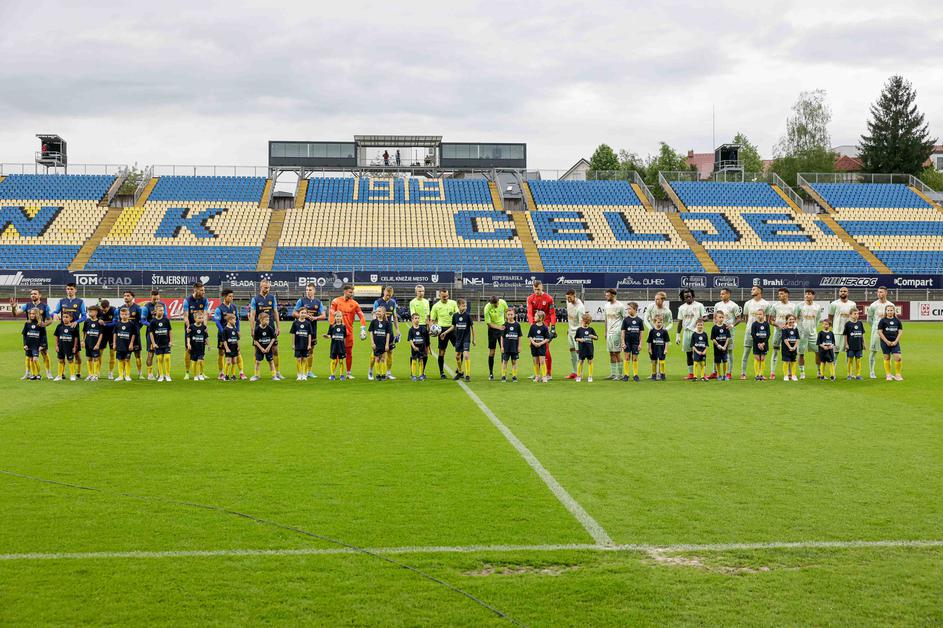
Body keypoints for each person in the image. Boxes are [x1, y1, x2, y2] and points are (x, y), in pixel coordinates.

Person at [328, 284, 367, 379]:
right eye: (350, 292)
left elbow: (361, 316)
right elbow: (331, 311)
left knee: (349, 353)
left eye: (352, 292)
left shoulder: (355, 303)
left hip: (349, 333)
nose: (351, 293)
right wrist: (335, 314)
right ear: (345, 291)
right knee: (337, 353)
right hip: (338, 332)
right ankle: (333, 373)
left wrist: (363, 329)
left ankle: (348, 373)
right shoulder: (336, 301)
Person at [14, 289, 53, 379]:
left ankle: (48, 372)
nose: (33, 295)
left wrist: (44, 324)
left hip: (40, 333)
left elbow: (50, 319)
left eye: (35, 294)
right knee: (28, 354)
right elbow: (15, 314)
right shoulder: (27, 305)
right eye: (31, 294)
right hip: (30, 333)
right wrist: (13, 307)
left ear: (40, 295)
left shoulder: (45, 306)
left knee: (44, 352)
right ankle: (28, 372)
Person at [249, 280, 282, 379]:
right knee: (257, 350)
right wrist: (252, 329)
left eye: (268, 287)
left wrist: (278, 326)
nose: (266, 289)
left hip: (271, 327)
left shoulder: (272, 298)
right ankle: (256, 374)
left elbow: (275, 312)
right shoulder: (255, 299)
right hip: (259, 328)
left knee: (275, 350)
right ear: (260, 287)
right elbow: (252, 314)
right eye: (265, 287)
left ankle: (277, 372)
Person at [294, 284, 327, 379]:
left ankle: (308, 371)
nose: (308, 291)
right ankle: (300, 372)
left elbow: (324, 315)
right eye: (307, 289)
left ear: (314, 291)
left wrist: (315, 317)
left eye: (310, 290)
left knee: (310, 350)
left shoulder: (318, 302)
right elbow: (294, 313)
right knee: (300, 351)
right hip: (301, 329)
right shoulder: (301, 301)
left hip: (312, 329)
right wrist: (303, 316)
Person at [54, 282, 86, 378]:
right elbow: (55, 311)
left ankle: (78, 372)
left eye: (71, 289)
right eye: (68, 289)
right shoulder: (61, 301)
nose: (69, 291)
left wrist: (77, 321)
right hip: (63, 330)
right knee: (62, 352)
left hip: (74, 329)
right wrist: (55, 314)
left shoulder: (80, 302)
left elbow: (84, 316)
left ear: (75, 290)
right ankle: (62, 373)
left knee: (76, 353)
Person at [527, 281, 557, 379]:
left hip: (545, 326)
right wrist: (532, 325)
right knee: (535, 350)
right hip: (535, 325)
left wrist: (552, 327)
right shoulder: (530, 298)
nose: (537, 291)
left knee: (545, 349)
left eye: (539, 289)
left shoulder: (549, 298)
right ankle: (537, 374)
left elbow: (552, 313)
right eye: (535, 289)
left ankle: (548, 373)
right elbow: (530, 313)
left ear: (542, 287)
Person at [676, 289, 708, 380]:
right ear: (683, 298)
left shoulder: (699, 305)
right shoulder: (682, 308)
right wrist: (678, 335)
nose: (688, 297)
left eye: (689, 296)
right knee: (688, 353)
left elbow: (706, 318)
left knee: (701, 353)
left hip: (697, 332)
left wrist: (700, 318)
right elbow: (680, 322)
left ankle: (703, 374)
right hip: (686, 332)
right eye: (686, 297)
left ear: (692, 295)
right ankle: (691, 374)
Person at [213, 289, 245, 380]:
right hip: (223, 334)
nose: (231, 298)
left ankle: (241, 372)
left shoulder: (234, 307)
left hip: (233, 334)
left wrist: (237, 330)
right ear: (225, 297)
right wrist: (223, 331)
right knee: (221, 352)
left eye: (232, 296)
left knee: (237, 352)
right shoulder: (219, 309)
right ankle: (221, 372)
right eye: (230, 296)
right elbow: (217, 321)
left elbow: (237, 320)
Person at [740, 287, 770, 380]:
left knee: (761, 356)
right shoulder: (748, 303)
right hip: (750, 332)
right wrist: (750, 327)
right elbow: (745, 317)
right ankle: (743, 373)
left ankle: (760, 374)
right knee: (746, 353)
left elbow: (767, 318)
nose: (751, 290)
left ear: (759, 291)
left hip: (762, 335)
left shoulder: (766, 304)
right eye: (751, 289)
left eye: (753, 289)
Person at [767, 288, 797, 380]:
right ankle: (772, 372)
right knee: (775, 351)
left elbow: (796, 320)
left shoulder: (793, 306)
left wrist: (791, 327)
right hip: (778, 332)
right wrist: (779, 325)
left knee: (789, 351)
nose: (779, 295)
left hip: (789, 333)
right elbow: (770, 320)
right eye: (779, 294)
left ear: (787, 294)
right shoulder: (775, 306)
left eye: (781, 294)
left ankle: (789, 373)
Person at [711, 288, 741, 379]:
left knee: (729, 352)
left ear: (728, 294)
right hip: (718, 332)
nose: (721, 295)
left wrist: (732, 325)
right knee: (717, 352)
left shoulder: (734, 305)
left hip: (729, 332)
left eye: (723, 294)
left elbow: (739, 318)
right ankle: (715, 372)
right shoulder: (717, 305)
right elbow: (714, 317)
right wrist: (715, 326)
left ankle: (728, 372)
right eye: (721, 294)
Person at [866, 286, 896, 379]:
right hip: (876, 332)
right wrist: (876, 327)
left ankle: (888, 373)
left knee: (888, 353)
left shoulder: (891, 305)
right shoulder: (873, 305)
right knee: (873, 351)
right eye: (878, 292)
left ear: (886, 293)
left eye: (881, 292)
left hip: (888, 333)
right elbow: (869, 319)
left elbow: (894, 318)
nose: (879, 294)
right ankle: (871, 371)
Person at [796, 289, 826, 379]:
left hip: (813, 333)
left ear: (813, 296)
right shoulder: (799, 306)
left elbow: (817, 319)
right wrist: (799, 328)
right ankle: (802, 373)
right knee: (801, 353)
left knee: (818, 352)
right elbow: (796, 317)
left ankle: (819, 372)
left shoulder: (817, 307)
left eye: (809, 294)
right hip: (802, 334)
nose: (807, 296)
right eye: (806, 294)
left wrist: (813, 328)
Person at [429, 289, 459, 379]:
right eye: (443, 296)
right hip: (441, 330)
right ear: (439, 296)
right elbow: (432, 320)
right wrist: (432, 329)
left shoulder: (453, 303)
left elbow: (457, 315)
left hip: (453, 329)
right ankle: (442, 372)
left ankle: (459, 368)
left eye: (447, 295)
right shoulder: (436, 306)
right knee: (442, 352)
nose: (446, 297)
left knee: (459, 350)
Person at [182, 281, 209, 380]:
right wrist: (189, 327)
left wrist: (204, 327)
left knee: (201, 349)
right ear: (195, 290)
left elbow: (205, 315)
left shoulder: (205, 300)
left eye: (204, 290)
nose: (203, 292)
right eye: (202, 290)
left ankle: (201, 373)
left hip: (201, 329)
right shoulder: (187, 300)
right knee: (188, 350)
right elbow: (185, 316)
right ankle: (187, 372)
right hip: (191, 329)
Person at [372, 286, 400, 380]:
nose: (388, 296)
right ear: (384, 292)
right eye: (387, 294)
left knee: (390, 352)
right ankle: (372, 371)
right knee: (376, 353)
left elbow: (395, 316)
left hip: (389, 330)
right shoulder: (377, 302)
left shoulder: (393, 303)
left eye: (390, 295)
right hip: (379, 331)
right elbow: (374, 315)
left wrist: (397, 329)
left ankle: (388, 373)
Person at [140, 289, 165, 380]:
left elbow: (165, 316)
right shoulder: (146, 307)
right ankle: (150, 374)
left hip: (162, 332)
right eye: (154, 299)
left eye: (157, 299)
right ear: (151, 297)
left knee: (161, 354)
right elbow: (142, 320)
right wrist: (151, 325)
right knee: (150, 353)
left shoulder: (163, 305)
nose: (156, 301)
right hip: (151, 333)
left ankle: (160, 373)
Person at [483, 295, 510, 380]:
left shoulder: (503, 302)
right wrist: (498, 327)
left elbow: (507, 312)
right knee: (492, 352)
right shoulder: (487, 308)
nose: (497, 305)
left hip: (502, 328)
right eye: (495, 304)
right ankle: (491, 373)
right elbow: (488, 323)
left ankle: (503, 373)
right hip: (492, 330)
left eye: (497, 303)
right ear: (491, 303)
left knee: (503, 350)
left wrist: (507, 323)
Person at [876, 304, 903, 381]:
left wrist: (896, 341)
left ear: (894, 311)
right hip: (885, 342)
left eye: (891, 310)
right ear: (886, 311)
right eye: (888, 310)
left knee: (898, 358)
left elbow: (900, 332)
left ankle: (898, 374)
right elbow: (880, 332)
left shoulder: (897, 320)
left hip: (895, 342)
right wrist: (887, 341)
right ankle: (888, 374)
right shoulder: (882, 321)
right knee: (887, 357)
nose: (890, 312)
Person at [603, 288, 625, 380]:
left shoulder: (620, 306)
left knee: (617, 353)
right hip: (609, 332)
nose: (606, 296)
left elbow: (625, 320)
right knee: (611, 353)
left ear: (613, 295)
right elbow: (606, 319)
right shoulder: (606, 305)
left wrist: (623, 334)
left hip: (617, 332)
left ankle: (620, 374)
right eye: (606, 295)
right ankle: (613, 374)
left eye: (608, 295)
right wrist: (605, 331)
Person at [121, 290, 145, 379]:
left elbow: (141, 321)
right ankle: (124, 373)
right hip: (124, 335)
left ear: (132, 297)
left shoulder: (138, 308)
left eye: (128, 295)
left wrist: (136, 329)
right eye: (125, 296)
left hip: (135, 336)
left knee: (137, 355)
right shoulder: (121, 308)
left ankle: (140, 373)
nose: (126, 297)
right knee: (124, 356)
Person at [409, 285, 431, 376]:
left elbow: (428, 316)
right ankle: (412, 372)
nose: (421, 293)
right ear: (416, 292)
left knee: (425, 352)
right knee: (414, 351)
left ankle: (422, 371)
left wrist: (429, 327)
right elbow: (413, 315)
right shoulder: (412, 302)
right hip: (416, 328)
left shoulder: (426, 302)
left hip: (425, 328)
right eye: (419, 291)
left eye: (422, 291)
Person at [563, 290, 586, 380]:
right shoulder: (568, 302)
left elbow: (582, 323)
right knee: (572, 352)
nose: (568, 299)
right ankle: (574, 372)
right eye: (567, 298)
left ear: (574, 296)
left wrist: (579, 335)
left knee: (578, 353)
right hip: (570, 331)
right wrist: (569, 329)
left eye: (570, 297)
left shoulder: (580, 307)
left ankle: (580, 373)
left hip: (577, 332)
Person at [148, 303, 173, 382]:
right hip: (158, 344)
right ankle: (161, 375)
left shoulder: (166, 320)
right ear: (155, 311)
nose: (161, 312)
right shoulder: (153, 322)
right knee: (159, 359)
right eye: (160, 310)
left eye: (162, 310)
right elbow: (151, 333)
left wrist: (171, 341)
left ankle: (168, 375)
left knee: (167, 358)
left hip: (166, 343)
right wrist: (153, 343)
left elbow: (170, 331)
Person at [367, 306, 393, 381]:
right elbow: (371, 332)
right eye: (377, 311)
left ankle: (383, 374)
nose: (378, 312)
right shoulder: (373, 322)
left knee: (383, 359)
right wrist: (372, 342)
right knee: (377, 359)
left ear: (384, 313)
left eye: (379, 311)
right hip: (376, 344)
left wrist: (387, 344)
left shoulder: (387, 323)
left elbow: (388, 334)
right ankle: (378, 374)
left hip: (383, 344)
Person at [620, 302, 644, 382]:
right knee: (626, 357)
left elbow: (641, 333)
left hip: (636, 343)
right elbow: (623, 332)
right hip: (627, 342)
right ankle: (626, 375)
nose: (628, 310)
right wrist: (623, 342)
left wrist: (640, 344)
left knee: (635, 359)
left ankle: (635, 375)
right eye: (627, 308)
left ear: (634, 309)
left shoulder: (639, 320)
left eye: (629, 308)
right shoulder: (625, 320)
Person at [829, 287, 857, 355]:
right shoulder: (834, 304)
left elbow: (854, 316)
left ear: (848, 293)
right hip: (837, 332)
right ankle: (834, 366)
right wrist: (833, 326)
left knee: (849, 352)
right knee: (835, 352)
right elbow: (830, 316)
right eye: (841, 291)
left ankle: (849, 366)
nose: (843, 292)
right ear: (839, 293)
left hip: (849, 332)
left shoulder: (852, 304)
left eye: (844, 291)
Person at [53, 311, 80, 381]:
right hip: (61, 346)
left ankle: (72, 375)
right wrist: (56, 346)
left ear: (71, 318)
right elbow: (56, 336)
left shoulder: (73, 327)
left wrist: (74, 347)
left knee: (70, 360)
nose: (64, 318)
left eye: (66, 317)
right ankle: (59, 375)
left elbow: (76, 338)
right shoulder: (59, 326)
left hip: (69, 347)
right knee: (60, 360)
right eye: (63, 317)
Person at [113, 307, 137, 382]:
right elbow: (115, 334)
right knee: (120, 360)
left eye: (126, 314)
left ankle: (127, 375)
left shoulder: (131, 324)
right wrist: (114, 343)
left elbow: (133, 334)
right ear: (120, 315)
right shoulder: (117, 324)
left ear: (129, 315)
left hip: (128, 345)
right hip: (119, 345)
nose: (124, 316)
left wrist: (131, 343)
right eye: (122, 314)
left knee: (127, 360)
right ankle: (120, 376)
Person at [287, 309, 312, 381]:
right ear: (299, 313)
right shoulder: (295, 323)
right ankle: (299, 374)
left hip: (305, 344)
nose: (303, 314)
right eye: (302, 313)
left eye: (305, 313)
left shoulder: (308, 323)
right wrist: (293, 344)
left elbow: (309, 334)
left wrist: (309, 344)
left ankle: (304, 374)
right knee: (298, 359)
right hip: (297, 344)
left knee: (304, 359)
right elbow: (293, 334)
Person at [254, 311, 279, 381]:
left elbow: (273, 338)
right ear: (261, 320)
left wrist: (268, 347)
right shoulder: (257, 329)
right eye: (266, 320)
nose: (268, 321)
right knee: (257, 362)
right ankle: (256, 375)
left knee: (271, 362)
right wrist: (261, 348)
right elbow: (255, 341)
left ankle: (274, 376)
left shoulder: (270, 328)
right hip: (260, 349)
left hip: (268, 349)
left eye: (268, 320)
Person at [82, 305, 105, 381]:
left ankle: (95, 374)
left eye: (91, 311)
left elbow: (101, 334)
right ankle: (90, 374)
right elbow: (84, 331)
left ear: (96, 312)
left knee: (96, 359)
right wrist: (83, 341)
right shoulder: (87, 321)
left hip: (95, 343)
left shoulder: (99, 322)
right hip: (88, 342)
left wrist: (98, 344)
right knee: (89, 358)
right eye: (89, 311)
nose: (89, 312)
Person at [574, 313, 598, 383]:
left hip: (589, 349)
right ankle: (578, 376)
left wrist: (592, 336)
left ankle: (590, 376)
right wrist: (580, 340)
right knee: (580, 361)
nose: (582, 321)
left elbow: (596, 337)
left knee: (590, 362)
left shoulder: (591, 329)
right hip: (582, 349)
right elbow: (575, 338)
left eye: (583, 320)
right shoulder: (579, 329)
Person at [528, 310, 551, 383]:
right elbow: (530, 336)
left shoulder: (545, 327)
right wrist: (533, 343)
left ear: (540, 318)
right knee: (535, 361)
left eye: (535, 316)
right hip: (534, 346)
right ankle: (537, 376)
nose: (534, 317)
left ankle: (544, 376)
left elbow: (547, 339)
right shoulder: (533, 326)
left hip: (541, 347)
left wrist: (540, 343)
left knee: (542, 361)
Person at [500, 308, 522, 382]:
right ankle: (503, 376)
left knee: (514, 362)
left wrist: (519, 346)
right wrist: (502, 347)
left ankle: (514, 376)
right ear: (506, 315)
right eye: (508, 314)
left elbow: (519, 336)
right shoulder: (504, 325)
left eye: (511, 314)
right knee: (504, 361)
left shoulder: (517, 325)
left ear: (514, 315)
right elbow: (502, 337)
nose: (510, 316)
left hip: (514, 347)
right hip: (506, 347)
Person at [186, 310, 210, 381]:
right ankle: (195, 375)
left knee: (200, 361)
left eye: (202, 318)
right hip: (193, 348)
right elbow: (188, 336)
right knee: (194, 362)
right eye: (199, 318)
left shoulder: (204, 327)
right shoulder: (191, 327)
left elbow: (206, 337)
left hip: (201, 348)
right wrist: (188, 344)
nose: (201, 319)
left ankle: (200, 374)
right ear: (195, 319)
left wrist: (208, 345)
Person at [21, 308, 44, 380]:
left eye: (33, 313)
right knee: (31, 359)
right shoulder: (27, 323)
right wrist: (25, 344)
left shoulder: (40, 324)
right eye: (30, 313)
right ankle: (33, 374)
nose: (31, 315)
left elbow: (43, 336)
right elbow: (24, 335)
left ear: (37, 314)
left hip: (36, 345)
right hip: (29, 345)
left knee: (35, 359)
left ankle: (38, 374)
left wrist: (42, 345)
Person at [843, 308, 865, 380]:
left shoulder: (860, 323)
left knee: (858, 360)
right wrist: (846, 344)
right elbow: (845, 335)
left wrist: (863, 343)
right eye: (855, 314)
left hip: (859, 345)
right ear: (850, 315)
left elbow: (862, 334)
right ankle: (849, 374)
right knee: (850, 360)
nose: (856, 315)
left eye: (857, 314)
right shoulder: (848, 324)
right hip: (850, 346)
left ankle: (858, 374)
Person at [325, 312, 348, 381]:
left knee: (341, 361)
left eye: (340, 316)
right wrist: (327, 336)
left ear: (342, 317)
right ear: (335, 317)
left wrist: (344, 347)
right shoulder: (332, 326)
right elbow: (329, 335)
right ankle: (332, 375)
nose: (338, 318)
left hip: (341, 347)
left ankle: (341, 375)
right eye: (337, 316)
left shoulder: (343, 326)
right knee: (333, 361)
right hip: (334, 346)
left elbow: (344, 337)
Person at [406, 313, 430, 381]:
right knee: (414, 360)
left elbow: (427, 334)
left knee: (421, 360)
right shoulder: (411, 330)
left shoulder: (423, 328)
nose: (417, 320)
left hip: (421, 348)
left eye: (418, 318)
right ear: (412, 320)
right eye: (415, 318)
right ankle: (413, 375)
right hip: (414, 348)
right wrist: (413, 346)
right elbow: (410, 339)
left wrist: (428, 324)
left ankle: (420, 375)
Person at [749, 309, 771, 381]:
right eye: (758, 314)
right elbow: (753, 334)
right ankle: (756, 374)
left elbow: (768, 334)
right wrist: (758, 343)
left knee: (763, 358)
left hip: (765, 344)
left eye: (760, 314)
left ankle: (761, 374)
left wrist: (763, 343)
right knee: (757, 358)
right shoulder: (754, 324)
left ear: (764, 315)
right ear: (756, 315)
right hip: (756, 344)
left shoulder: (766, 324)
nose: (759, 315)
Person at [98, 298, 117, 379]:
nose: (103, 310)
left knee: (112, 354)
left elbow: (115, 323)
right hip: (103, 334)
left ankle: (111, 372)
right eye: (102, 308)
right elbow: (98, 318)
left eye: (105, 308)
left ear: (108, 307)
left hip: (112, 334)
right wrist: (99, 320)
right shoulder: (100, 310)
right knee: (99, 353)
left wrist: (104, 324)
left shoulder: (114, 311)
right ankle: (97, 372)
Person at [646, 315, 669, 381]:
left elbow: (666, 341)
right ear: (654, 322)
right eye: (658, 322)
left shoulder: (664, 331)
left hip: (661, 349)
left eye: (661, 322)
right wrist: (649, 349)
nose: (660, 323)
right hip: (654, 349)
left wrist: (666, 349)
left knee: (662, 362)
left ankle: (662, 375)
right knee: (654, 362)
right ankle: (653, 375)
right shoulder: (652, 331)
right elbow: (649, 341)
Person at [710, 310, 731, 381]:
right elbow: (713, 338)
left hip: (724, 349)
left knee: (725, 361)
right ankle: (719, 375)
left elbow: (728, 337)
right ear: (716, 318)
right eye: (720, 317)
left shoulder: (726, 327)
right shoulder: (714, 328)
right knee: (718, 362)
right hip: (717, 348)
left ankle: (725, 375)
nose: (721, 318)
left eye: (722, 317)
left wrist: (725, 346)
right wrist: (718, 345)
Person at [221, 312, 241, 381]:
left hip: (234, 348)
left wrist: (238, 346)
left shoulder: (235, 329)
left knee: (234, 361)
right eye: (234, 320)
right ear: (229, 320)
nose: (235, 321)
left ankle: (233, 375)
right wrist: (226, 348)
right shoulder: (225, 330)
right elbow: (224, 340)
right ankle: (226, 375)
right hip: (229, 348)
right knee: (228, 362)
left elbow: (237, 339)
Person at [780, 314, 800, 381]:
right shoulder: (784, 329)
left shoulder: (795, 329)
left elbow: (797, 338)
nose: (791, 321)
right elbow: (785, 339)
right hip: (786, 348)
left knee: (793, 361)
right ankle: (786, 375)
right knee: (786, 361)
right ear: (787, 320)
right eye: (790, 319)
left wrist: (794, 346)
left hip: (794, 348)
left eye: (793, 319)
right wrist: (790, 347)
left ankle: (793, 375)